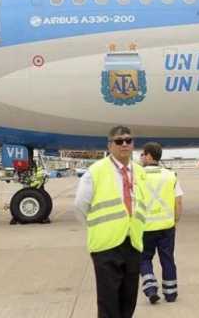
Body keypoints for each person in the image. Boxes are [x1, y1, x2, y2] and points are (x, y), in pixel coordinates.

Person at [74, 126, 147, 318]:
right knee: (108, 302)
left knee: (128, 300)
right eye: (119, 141)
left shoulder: (140, 172)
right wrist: (97, 229)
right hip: (106, 246)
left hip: (133, 243)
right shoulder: (96, 171)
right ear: (110, 145)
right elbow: (80, 205)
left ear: (133, 144)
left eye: (128, 140)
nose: (124, 144)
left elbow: (142, 204)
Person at [138, 142, 184, 304]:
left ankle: (150, 288)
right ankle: (170, 293)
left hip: (145, 227)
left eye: (143, 154)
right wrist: (175, 220)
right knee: (168, 260)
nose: (141, 157)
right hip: (166, 227)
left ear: (149, 155)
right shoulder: (171, 176)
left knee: (144, 259)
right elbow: (178, 202)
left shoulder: (138, 176)